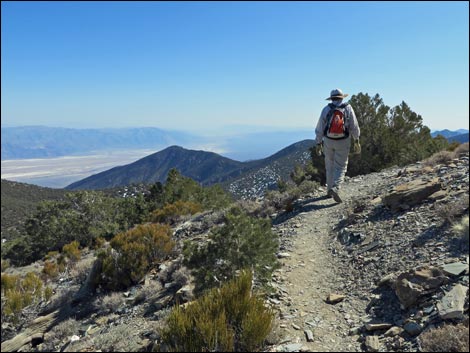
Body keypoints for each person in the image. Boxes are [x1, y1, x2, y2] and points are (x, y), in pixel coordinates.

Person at [314, 88, 361, 203]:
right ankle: (336, 188)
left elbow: (320, 128)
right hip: (343, 141)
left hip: (328, 141)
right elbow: (354, 126)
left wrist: (318, 142)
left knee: (329, 165)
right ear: (342, 97)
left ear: (331, 98)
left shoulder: (326, 109)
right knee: (341, 166)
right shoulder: (348, 108)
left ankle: (329, 190)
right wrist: (356, 140)